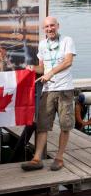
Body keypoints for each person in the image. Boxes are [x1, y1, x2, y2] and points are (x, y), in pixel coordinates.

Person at [21, 16, 76, 171]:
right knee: (42, 125)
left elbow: (68, 61)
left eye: (52, 25)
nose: (50, 29)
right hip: (48, 90)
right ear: (43, 29)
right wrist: (32, 68)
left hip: (65, 89)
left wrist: (51, 73)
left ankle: (59, 158)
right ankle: (37, 159)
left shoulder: (67, 40)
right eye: (47, 27)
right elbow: (41, 68)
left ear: (58, 26)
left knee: (65, 125)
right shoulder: (42, 44)